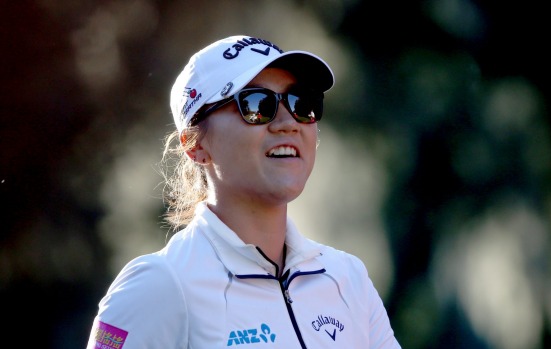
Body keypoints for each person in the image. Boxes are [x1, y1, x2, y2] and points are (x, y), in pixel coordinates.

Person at [85, 34, 401, 349]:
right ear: (195, 146)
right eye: (255, 105)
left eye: (301, 102)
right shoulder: (157, 286)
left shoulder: (348, 278)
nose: (288, 122)